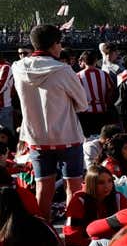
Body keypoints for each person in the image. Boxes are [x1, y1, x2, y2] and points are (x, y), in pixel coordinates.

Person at [12, 24, 89, 219]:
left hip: (36, 138)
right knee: (74, 186)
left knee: (42, 187)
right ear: (55, 44)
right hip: (67, 136)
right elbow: (82, 104)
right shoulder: (63, 70)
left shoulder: (18, 68)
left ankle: (43, 233)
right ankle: (72, 228)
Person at [63, 165, 127, 246]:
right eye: (101, 183)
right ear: (91, 184)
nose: (107, 186)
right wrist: (101, 244)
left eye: (110, 181)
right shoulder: (78, 201)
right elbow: (71, 238)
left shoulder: (119, 198)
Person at [77, 50, 116, 137]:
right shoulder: (104, 74)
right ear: (96, 61)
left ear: (83, 61)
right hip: (102, 111)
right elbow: (112, 90)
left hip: (85, 113)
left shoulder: (78, 76)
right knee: (102, 137)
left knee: (87, 139)